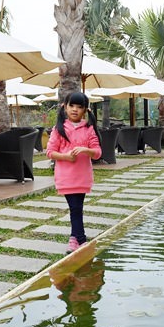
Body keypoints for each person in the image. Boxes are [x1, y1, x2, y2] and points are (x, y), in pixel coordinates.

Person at [46, 92, 102, 253]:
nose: (75, 110)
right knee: (75, 207)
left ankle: (74, 239)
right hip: (66, 177)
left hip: (82, 177)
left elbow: (97, 152)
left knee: (77, 208)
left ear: (85, 110)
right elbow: (50, 152)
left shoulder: (89, 129)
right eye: (72, 106)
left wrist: (86, 150)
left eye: (79, 107)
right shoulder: (59, 129)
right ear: (65, 106)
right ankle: (81, 239)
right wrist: (65, 156)